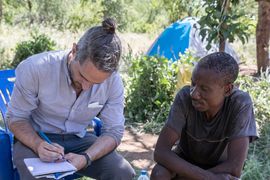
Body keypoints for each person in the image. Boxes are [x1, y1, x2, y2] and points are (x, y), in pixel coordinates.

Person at [5, 18, 135, 180]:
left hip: (79, 139)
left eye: (96, 83)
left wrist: (86, 158)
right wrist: (38, 144)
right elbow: (16, 118)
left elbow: (113, 131)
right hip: (35, 138)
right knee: (42, 177)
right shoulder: (36, 69)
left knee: (122, 173)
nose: (87, 87)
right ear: (74, 51)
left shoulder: (113, 82)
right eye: (82, 76)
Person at [150, 52, 259, 180]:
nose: (194, 93)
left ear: (227, 90)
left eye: (204, 89)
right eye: (193, 83)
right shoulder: (184, 97)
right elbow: (161, 152)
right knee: (159, 173)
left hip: (220, 168)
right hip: (186, 162)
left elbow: (234, 167)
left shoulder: (240, 103)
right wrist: (208, 178)